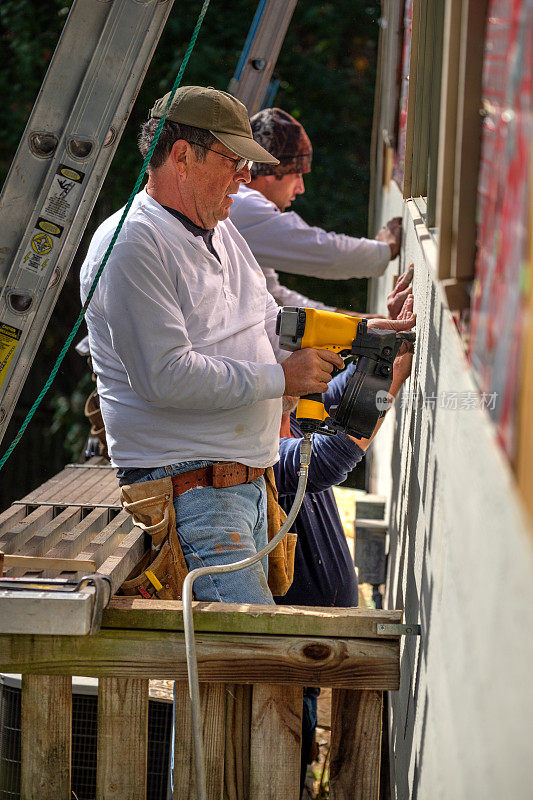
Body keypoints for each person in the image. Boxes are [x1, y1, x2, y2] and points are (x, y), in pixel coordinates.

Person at [80, 85, 349, 607]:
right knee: (249, 670)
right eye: (233, 161)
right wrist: (282, 379)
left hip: (237, 486)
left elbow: (269, 322)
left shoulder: (219, 230)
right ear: (182, 156)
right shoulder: (133, 244)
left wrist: (367, 331)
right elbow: (166, 376)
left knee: (234, 675)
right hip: (190, 493)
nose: (245, 178)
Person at [274, 296, 415, 793]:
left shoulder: (280, 423)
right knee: (285, 761)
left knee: (301, 755)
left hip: (316, 649)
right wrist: (388, 381)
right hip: (300, 651)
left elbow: (334, 397)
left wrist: (378, 344)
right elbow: (331, 456)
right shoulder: (258, 456)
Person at [230, 107, 402, 312]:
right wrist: (383, 250)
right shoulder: (243, 206)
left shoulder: (240, 209)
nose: (300, 188)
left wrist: (362, 322)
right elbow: (321, 251)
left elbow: (274, 297)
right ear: (273, 169)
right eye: (297, 174)